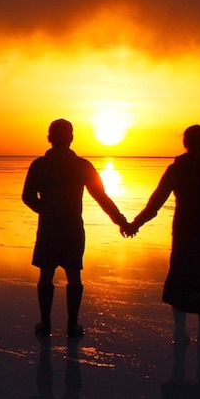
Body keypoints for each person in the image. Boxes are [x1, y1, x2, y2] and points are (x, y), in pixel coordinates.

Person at [22, 119, 131, 338]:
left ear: (49, 138)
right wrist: (121, 221)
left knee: (46, 276)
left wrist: (46, 210)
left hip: (49, 229)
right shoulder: (82, 165)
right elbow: (102, 197)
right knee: (74, 277)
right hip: (72, 228)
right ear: (71, 138)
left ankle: (45, 324)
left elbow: (28, 196)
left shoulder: (40, 165)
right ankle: (72, 326)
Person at [127, 125, 200, 346]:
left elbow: (156, 202)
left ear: (185, 143)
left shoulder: (177, 170)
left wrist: (136, 223)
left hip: (185, 234)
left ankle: (180, 332)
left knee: (180, 280)